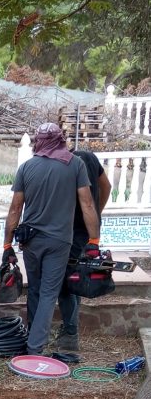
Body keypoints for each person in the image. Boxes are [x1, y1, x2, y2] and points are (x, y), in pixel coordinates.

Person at [2, 123, 102, 355]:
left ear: (38, 141)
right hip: (59, 243)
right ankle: (34, 348)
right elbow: (87, 204)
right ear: (61, 140)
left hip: (30, 240)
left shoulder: (26, 167)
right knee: (49, 293)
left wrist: (7, 244)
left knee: (35, 290)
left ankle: (32, 339)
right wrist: (94, 241)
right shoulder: (75, 165)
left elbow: (15, 209)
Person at [54, 149, 112, 352]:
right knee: (76, 276)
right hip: (89, 231)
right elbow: (107, 186)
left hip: (71, 231)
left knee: (67, 281)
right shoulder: (90, 157)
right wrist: (96, 214)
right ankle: (70, 329)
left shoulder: (66, 164)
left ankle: (70, 334)